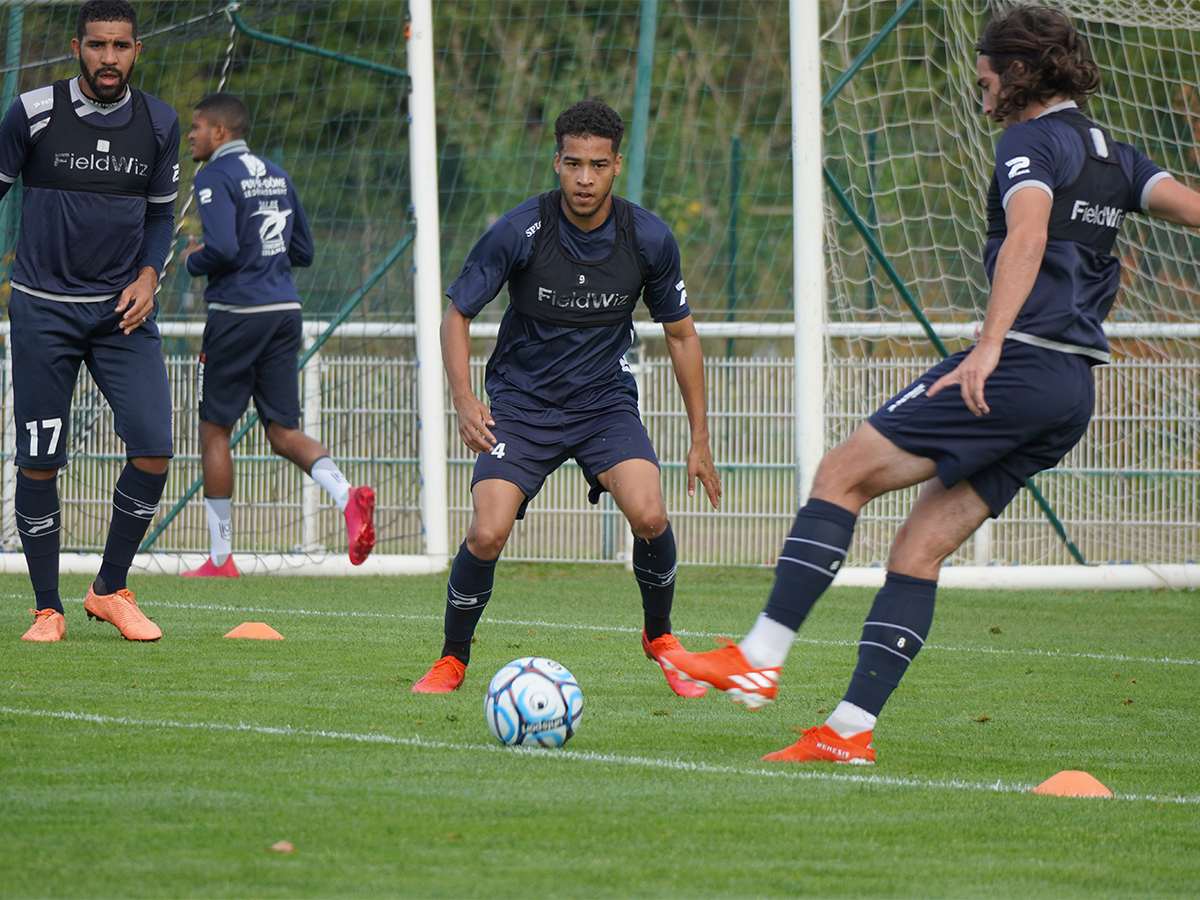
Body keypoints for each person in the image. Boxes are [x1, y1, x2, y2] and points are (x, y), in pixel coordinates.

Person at [661, 5, 1200, 762]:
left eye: (985, 75)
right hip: (1073, 389)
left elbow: (1030, 231)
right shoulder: (1120, 156)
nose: (978, 88)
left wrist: (987, 346)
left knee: (841, 474)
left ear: (1018, 71)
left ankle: (758, 657)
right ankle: (848, 732)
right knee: (917, 548)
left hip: (1017, 363)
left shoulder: (1030, 141)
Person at [413, 99, 722, 695]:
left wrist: (699, 440)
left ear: (616, 166)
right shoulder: (519, 230)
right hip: (522, 407)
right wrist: (463, 398)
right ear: (556, 162)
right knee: (486, 533)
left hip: (603, 404)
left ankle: (660, 637)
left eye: (598, 165)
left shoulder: (649, 237)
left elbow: (681, 335)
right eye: (574, 163)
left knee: (651, 514)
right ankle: (452, 659)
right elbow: (457, 315)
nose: (585, 178)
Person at [7, 0, 181, 643]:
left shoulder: (160, 122)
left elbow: (161, 217)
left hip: (121, 315)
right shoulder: (32, 112)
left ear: (137, 49)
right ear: (77, 47)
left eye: (122, 46)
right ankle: (47, 608)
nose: (110, 58)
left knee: (155, 446)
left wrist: (149, 275)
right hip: (42, 313)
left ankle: (108, 589)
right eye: (98, 45)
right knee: (40, 462)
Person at [178, 92, 375, 577]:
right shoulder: (277, 174)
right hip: (285, 310)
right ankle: (347, 495)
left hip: (237, 314)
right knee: (283, 432)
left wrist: (192, 259)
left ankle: (221, 558)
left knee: (214, 430)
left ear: (220, 133)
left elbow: (221, 248)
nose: (191, 135)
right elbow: (302, 250)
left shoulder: (213, 176)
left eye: (197, 127)